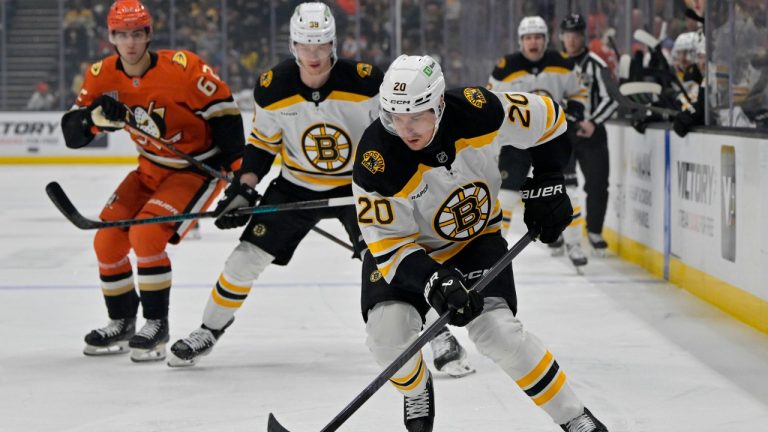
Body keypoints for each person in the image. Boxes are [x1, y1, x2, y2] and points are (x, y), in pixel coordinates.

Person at [168, 3, 472, 376]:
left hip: (357, 187)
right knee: (244, 258)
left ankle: (436, 335)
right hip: (296, 187)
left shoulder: (365, 82)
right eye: (306, 45)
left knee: (393, 258)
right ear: (293, 45)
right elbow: (263, 145)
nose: (314, 55)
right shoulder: (272, 87)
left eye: (321, 44)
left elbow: (392, 137)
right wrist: (244, 188)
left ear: (334, 43)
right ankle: (208, 329)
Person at [353, 54, 609, 432]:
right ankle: (416, 389)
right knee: (387, 339)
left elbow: (550, 119)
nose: (406, 129)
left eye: (417, 115)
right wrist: (433, 280)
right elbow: (389, 246)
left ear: (439, 104)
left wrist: (549, 179)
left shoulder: (479, 109)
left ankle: (575, 418)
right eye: (394, 117)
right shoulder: (376, 159)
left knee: (500, 334)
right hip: (409, 254)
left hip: (476, 240)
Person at [60, 0, 244, 362]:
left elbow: (226, 115)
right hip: (150, 167)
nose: (130, 42)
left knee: (146, 234)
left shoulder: (185, 68)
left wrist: (238, 175)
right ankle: (122, 321)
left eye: (137, 33)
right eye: (122, 34)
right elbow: (73, 133)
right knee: (107, 241)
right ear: (111, 36)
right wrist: (95, 119)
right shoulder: (101, 74)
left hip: (195, 169)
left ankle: (156, 324)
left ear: (149, 34)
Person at [487, 15, 590, 269]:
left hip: (552, 139)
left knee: (570, 193)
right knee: (507, 197)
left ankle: (575, 245)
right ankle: (496, 250)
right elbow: (491, 102)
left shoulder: (562, 63)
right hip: (516, 142)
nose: (533, 42)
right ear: (521, 41)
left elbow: (579, 92)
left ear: (546, 40)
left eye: (538, 37)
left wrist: (574, 113)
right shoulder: (505, 67)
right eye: (528, 38)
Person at [559, 14, 618, 255]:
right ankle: (560, 232)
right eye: (568, 35)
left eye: (576, 35)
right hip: (562, 134)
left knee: (597, 184)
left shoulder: (596, 63)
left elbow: (612, 98)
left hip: (592, 134)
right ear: (562, 37)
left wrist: (593, 122)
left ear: (583, 37)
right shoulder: (555, 65)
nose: (572, 40)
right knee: (560, 186)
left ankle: (594, 231)